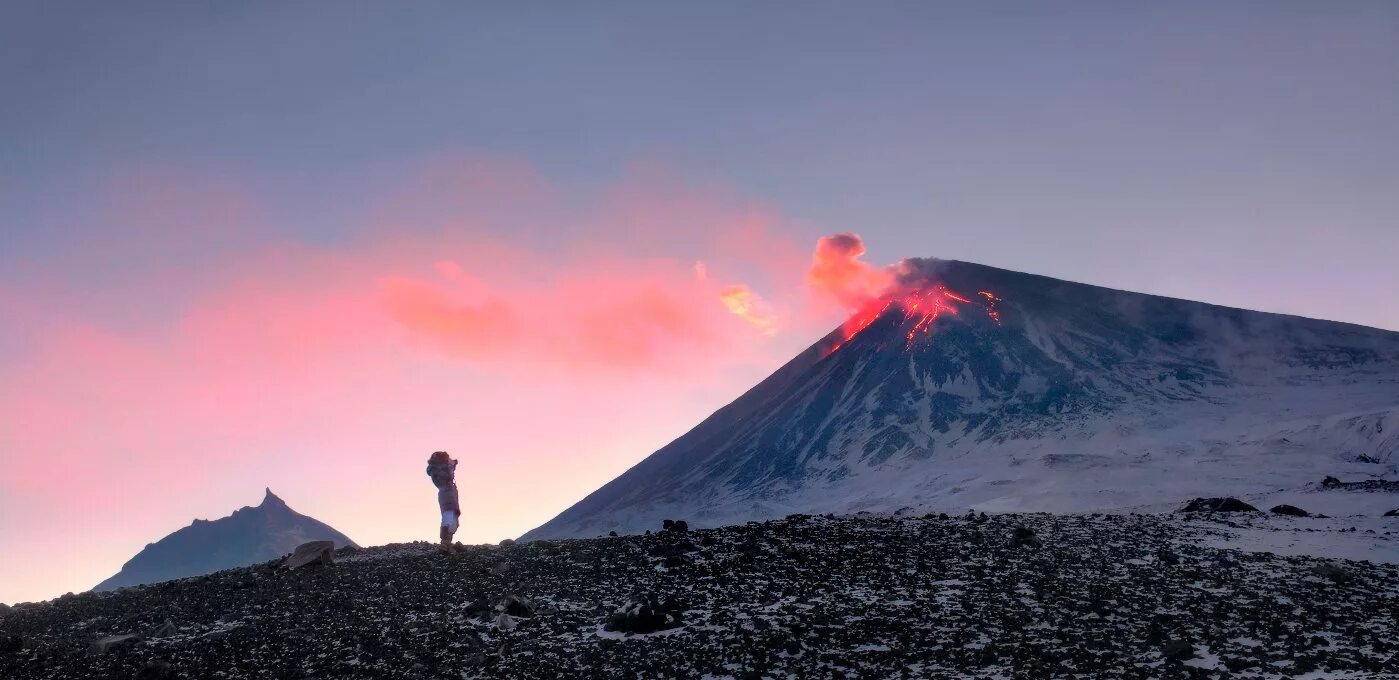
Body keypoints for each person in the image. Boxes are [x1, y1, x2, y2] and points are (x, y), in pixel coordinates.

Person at [425, 451, 460, 548]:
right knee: (450, 520)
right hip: (447, 497)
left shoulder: (438, 471)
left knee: (452, 521)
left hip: (448, 496)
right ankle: (445, 543)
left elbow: (450, 468)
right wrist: (451, 464)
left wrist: (451, 464)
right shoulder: (441, 472)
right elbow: (449, 472)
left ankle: (446, 543)